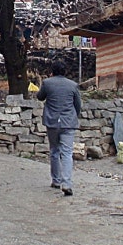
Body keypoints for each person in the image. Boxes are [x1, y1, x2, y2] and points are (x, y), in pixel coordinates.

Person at [36, 61, 82, 197]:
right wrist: (74, 116)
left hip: (52, 122)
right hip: (68, 122)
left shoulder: (47, 83)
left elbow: (40, 97)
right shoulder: (73, 85)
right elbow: (78, 105)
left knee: (54, 151)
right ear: (65, 72)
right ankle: (66, 183)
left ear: (52, 71)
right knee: (67, 153)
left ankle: (56, 181)